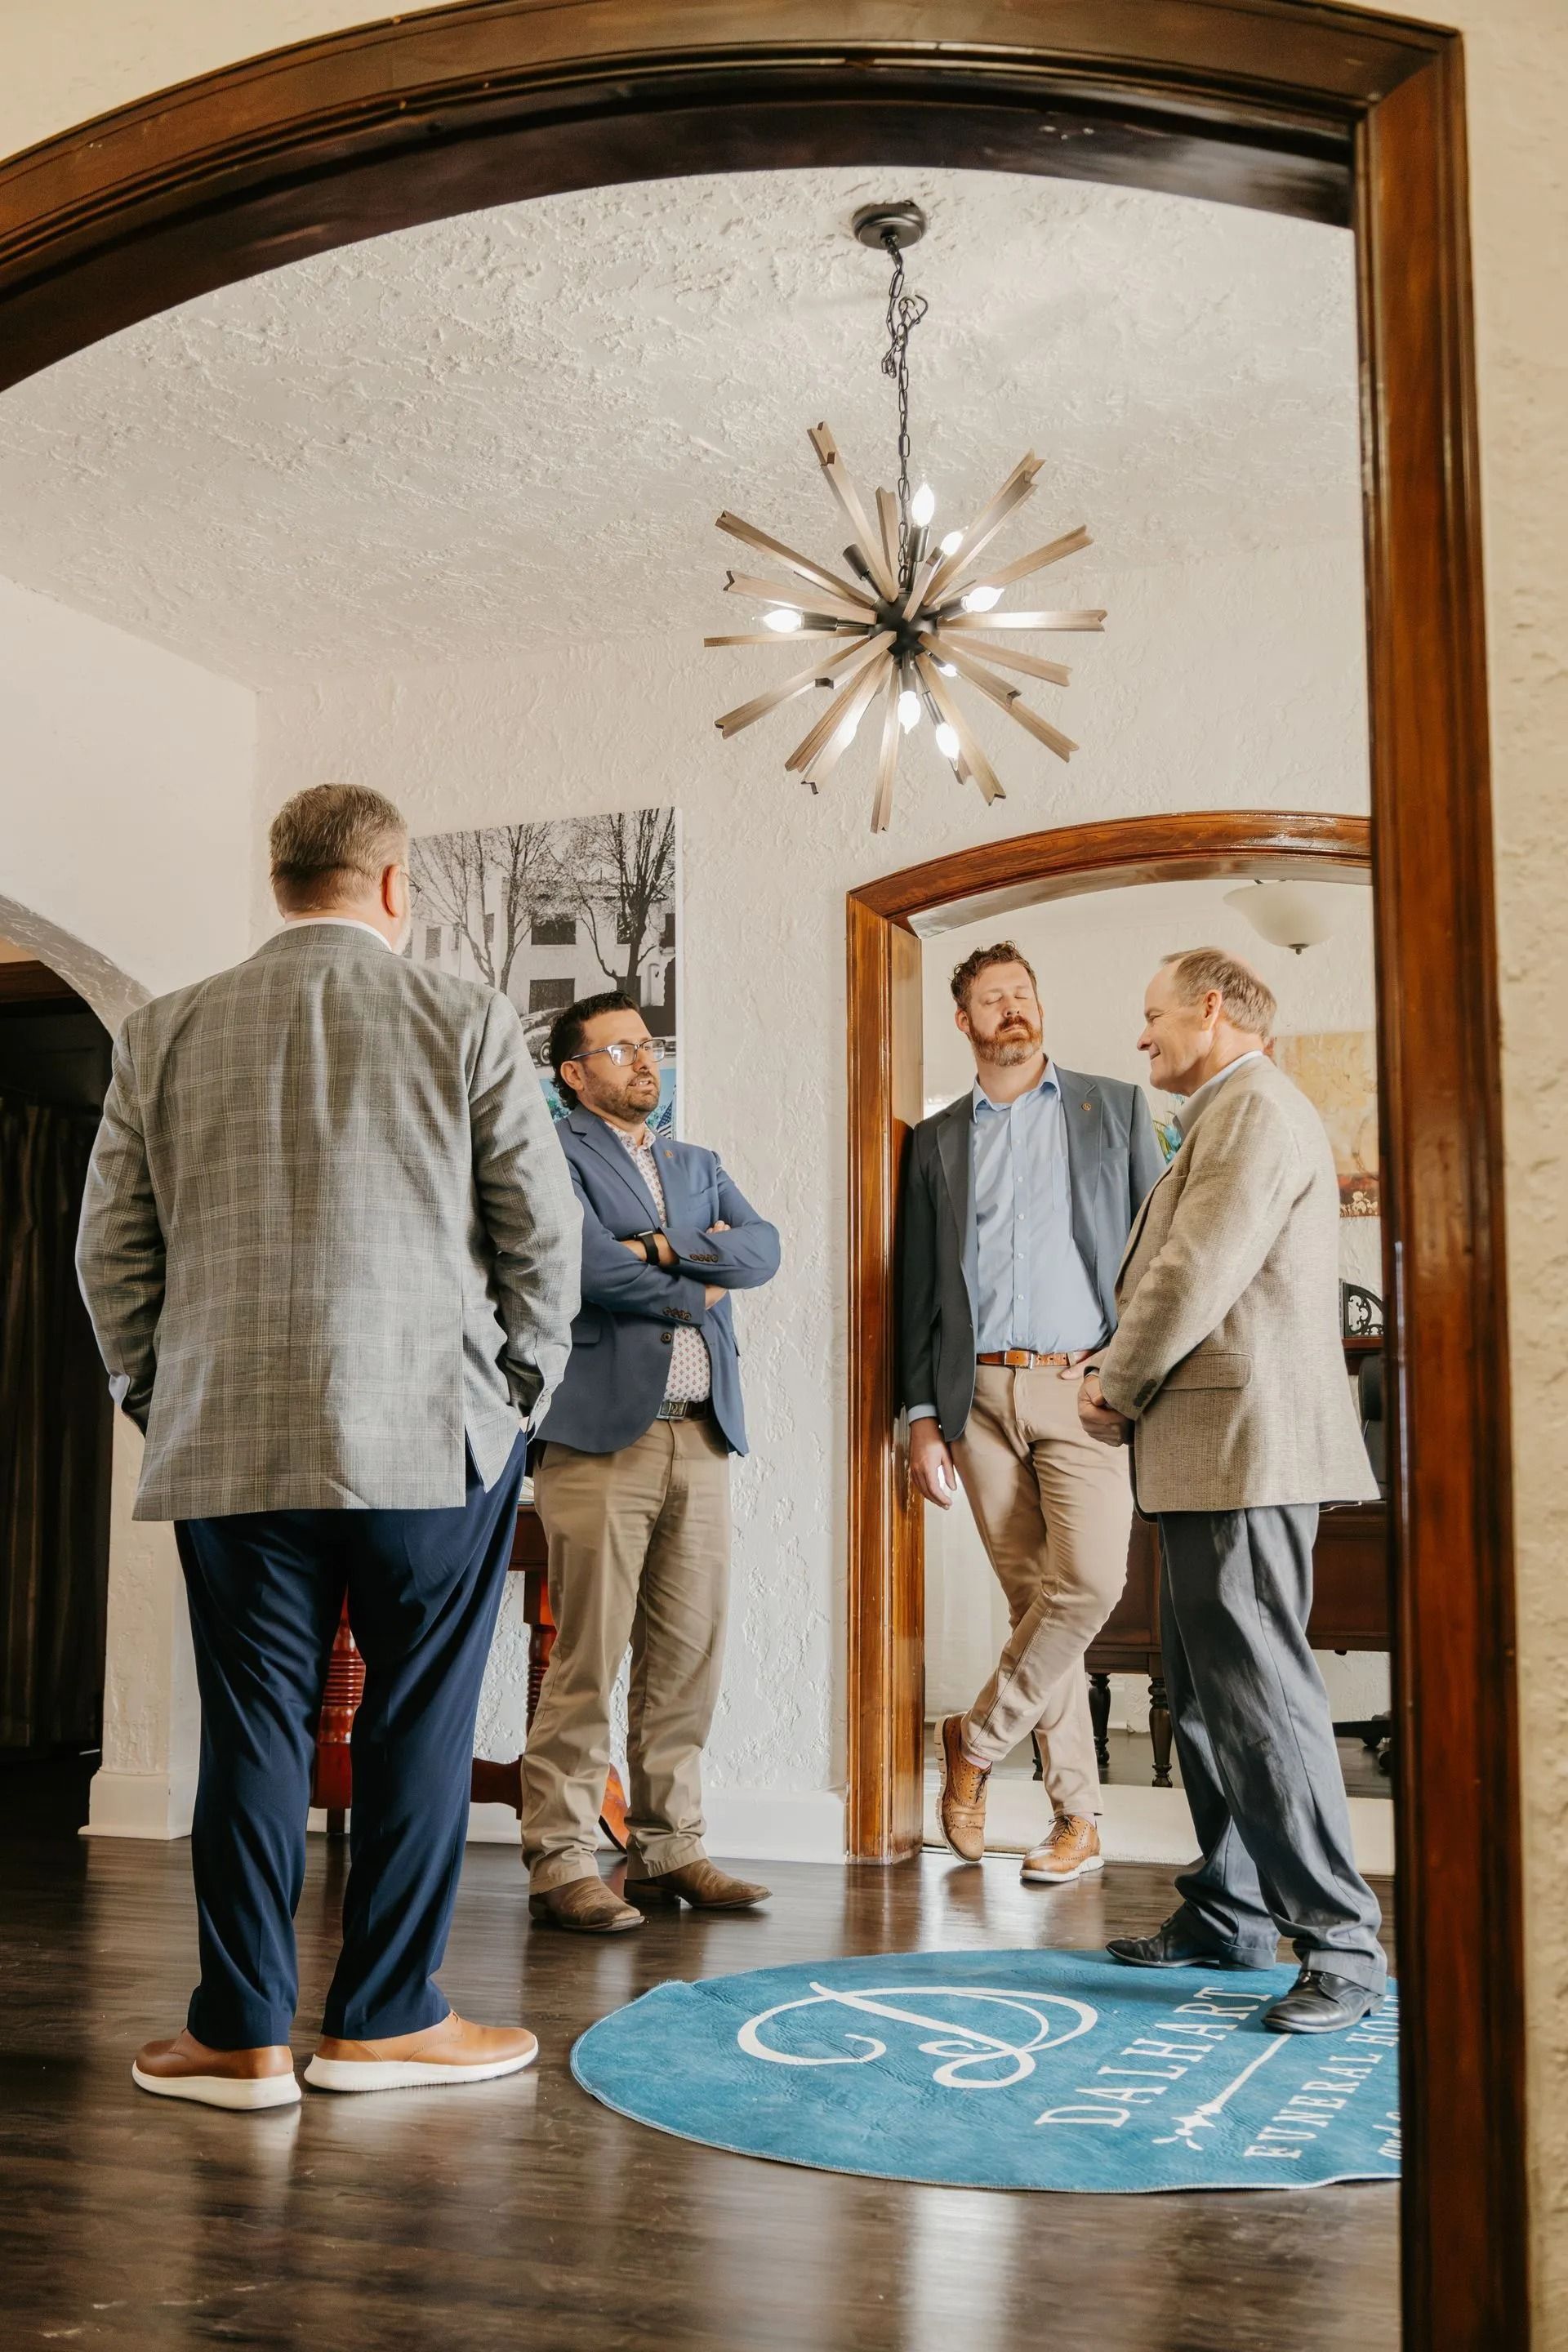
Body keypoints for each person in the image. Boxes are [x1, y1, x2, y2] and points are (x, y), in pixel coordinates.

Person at [76, 783, 581, 2108]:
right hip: (433, 1433)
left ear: (282, 880)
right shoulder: (466, 1017)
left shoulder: (164, 1029)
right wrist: (516, 1397)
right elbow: (543, 1237)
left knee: (252, 1724)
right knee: (419, 1718)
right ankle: (385, 2022)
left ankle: (241, 2037)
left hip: (231, 1433)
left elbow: (110, 1253)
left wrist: (158, 1394)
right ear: (396, 885)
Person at [1080, 947, 1385, 2035]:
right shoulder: (1231, 1110)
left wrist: (1114, 1382)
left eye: (1154, 1014)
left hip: (1240, 1451)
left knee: (1260, 1700)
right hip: (1209, 1452)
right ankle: (1232, 1911)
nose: (1143, 1035)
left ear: (1211, 1010)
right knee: (1206, 1700)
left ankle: (1343, 1945)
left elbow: (1193, 1270)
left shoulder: (1253, 1109)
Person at [898, 941, 1165, 1884]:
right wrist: (920, 1416)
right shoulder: (934, 1140)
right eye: (991, 998)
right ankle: (1076, 1818)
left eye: (1022, 993)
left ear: (1039, 1007)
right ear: (964, 1021)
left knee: (1086, 1585)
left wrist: (1127, 1367)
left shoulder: (1114, 1108)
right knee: (1034, 1607)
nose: (1011, 1008)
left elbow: (1158, 1251)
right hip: (973, 1396)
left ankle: (974, 1741)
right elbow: (917, 1286)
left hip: (1083, 1388)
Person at [519, 993, 781, 1932]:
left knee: (687, 1655)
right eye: (621, 1048)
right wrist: (695, 1285)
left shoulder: (695, 1163)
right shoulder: (551, 1154)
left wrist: (664, 1247)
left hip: (703, 1433)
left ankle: (670, 1848)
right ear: (573, 1073)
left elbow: (762, 1251)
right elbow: (587, 1268)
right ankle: (561, 1857)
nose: (644, 1060)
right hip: (599, 1437)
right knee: (587, 1656)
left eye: (648, 1045)